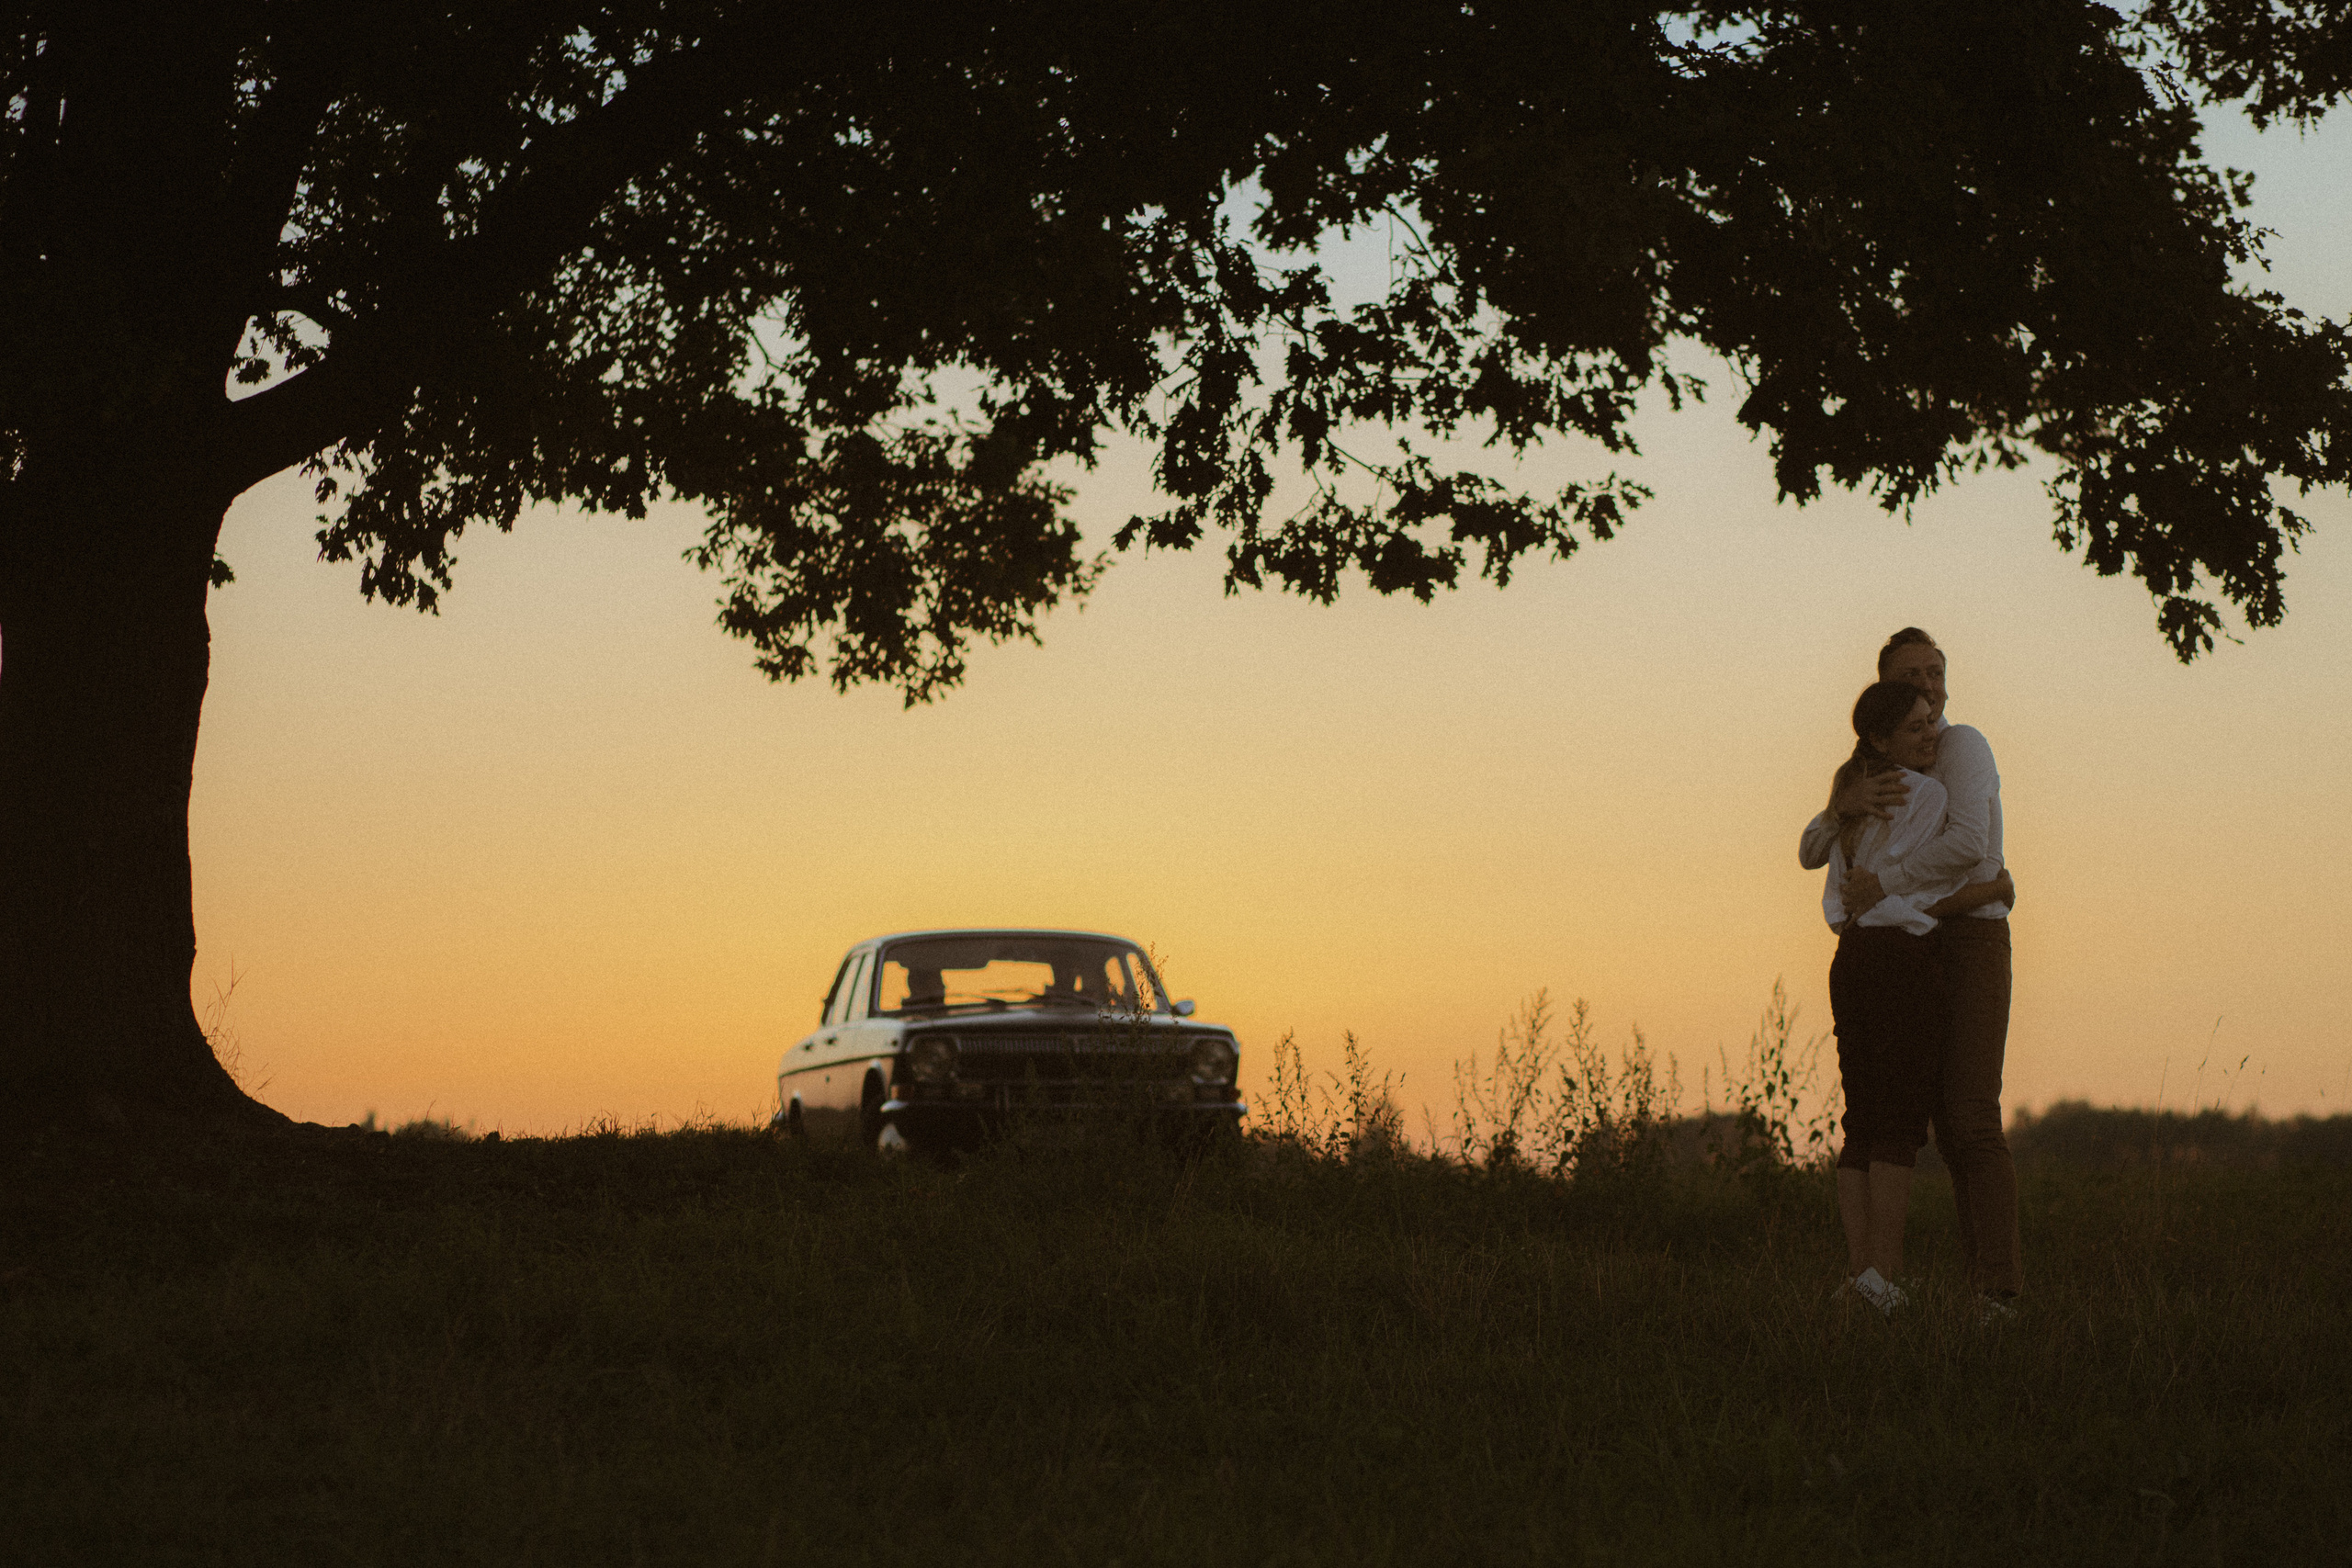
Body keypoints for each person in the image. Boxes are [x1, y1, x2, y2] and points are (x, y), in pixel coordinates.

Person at [1803, 627, 2023, 1310]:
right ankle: (1886, 1279)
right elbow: (1822, 847)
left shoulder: (1961, 747)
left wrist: (1902, 885)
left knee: (1966, 1117)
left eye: (1936, 672)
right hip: (1913, 940)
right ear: (1886, 691)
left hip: (1966, 939)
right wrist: (1844, 808)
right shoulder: (1876, 779)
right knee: (1904, 1115)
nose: (1930, 686)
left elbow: (1967, 843)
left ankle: (1994, 1290)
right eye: (1912, 677)